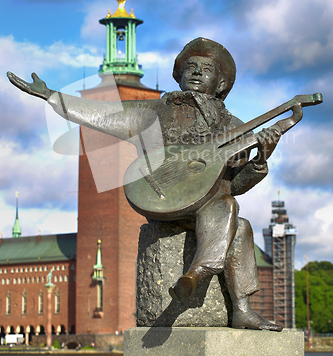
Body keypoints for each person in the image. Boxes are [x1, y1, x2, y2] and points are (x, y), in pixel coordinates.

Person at [7, 37, 282, 331]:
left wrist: (260, 161)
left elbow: (236, 184)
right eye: (190, 66)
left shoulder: (235, 127)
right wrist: (51, 95)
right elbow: (99, 115)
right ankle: (203, 272)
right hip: (161, 199)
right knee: (228, 207)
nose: (197, 72)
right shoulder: (154, 112)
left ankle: (237, 307)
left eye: (206, 68)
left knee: (240, 226)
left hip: (208, 208)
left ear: (222, 83)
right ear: (178, 76)